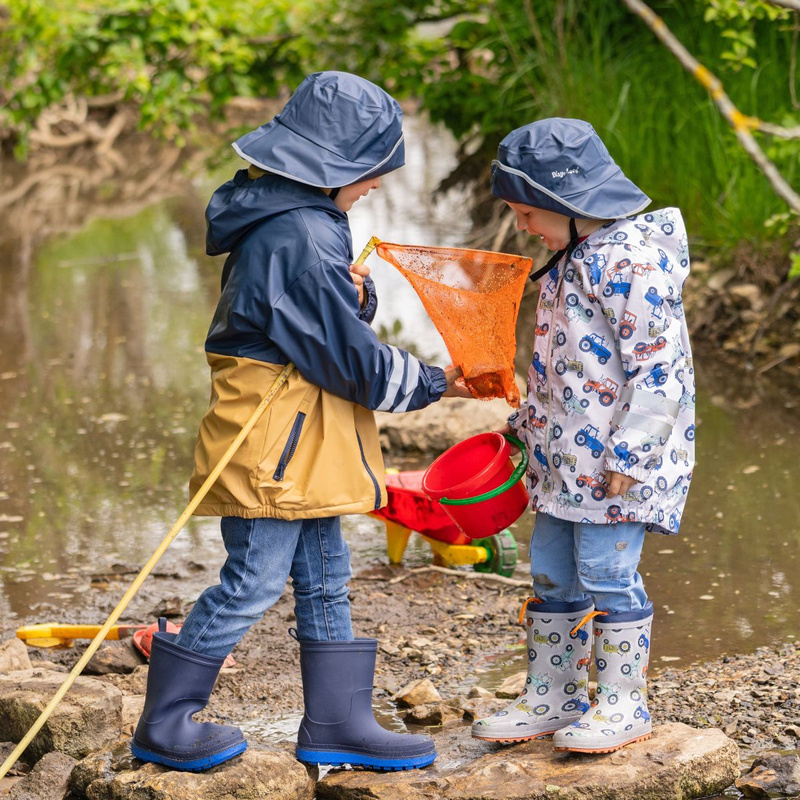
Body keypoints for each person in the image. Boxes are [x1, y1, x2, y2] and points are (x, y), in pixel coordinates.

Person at [130, 71, 469, 774]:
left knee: (325, 574)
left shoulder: (293, 221)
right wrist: (439, 381)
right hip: (274, 438)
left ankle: (337, 721)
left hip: (302, 436)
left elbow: (314, 325)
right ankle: (166, 721)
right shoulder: (301, 236)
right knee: (254, 578)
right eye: (372, 171)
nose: (377, 185)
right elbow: (354, 366)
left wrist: (361, 294)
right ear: (333, 168)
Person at [471, 118, 695, 753]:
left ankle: (624, 702)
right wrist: (525, 427)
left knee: (607, 573)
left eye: (525, 212)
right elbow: (565, 366)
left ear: (567, 205)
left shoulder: (633, 263)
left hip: (619, 460)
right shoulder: (572, 258)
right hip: (562, 459)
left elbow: (661, 369)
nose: (520, 226)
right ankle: (554, 693)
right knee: (551, 571)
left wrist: (632, 451)